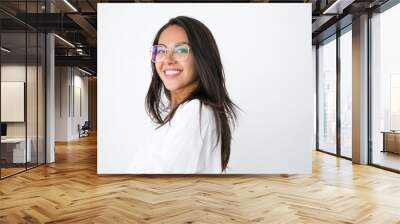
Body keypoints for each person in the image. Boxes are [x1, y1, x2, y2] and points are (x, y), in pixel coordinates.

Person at [131, 16, 239, 174]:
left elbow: (161, 182)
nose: (167, 60)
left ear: (202, 58)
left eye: (180, 50)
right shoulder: (184, 114)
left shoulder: (195, 111)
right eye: (161, 50)